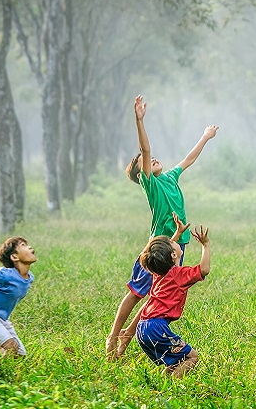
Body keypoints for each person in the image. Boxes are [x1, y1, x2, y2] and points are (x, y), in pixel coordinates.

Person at [105, 94, 218, 360]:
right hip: (158, 246)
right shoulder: (151, 184)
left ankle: (126, 340)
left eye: (152, 158)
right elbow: (145, 150)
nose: (151, 158)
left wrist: (205, 137)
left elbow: (188, 159)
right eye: (144, 162)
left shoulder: (169, 177)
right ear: (140, 173)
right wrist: (139, 120)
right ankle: (114, 336)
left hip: (178, 244)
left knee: (157, 295)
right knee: (136, 292)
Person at [132, 213, 210, 377]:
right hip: (156, 328)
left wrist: (178, 232)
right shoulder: (179, 275)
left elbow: (166, 254)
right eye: (173, 243)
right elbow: (204, 269)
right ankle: (171, 388)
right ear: (173, 255)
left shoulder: (158, 271)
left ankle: (164, 382)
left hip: (142, 327)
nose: (175, 242)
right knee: (192, 357)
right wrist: (205, 245)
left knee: (176, 361)